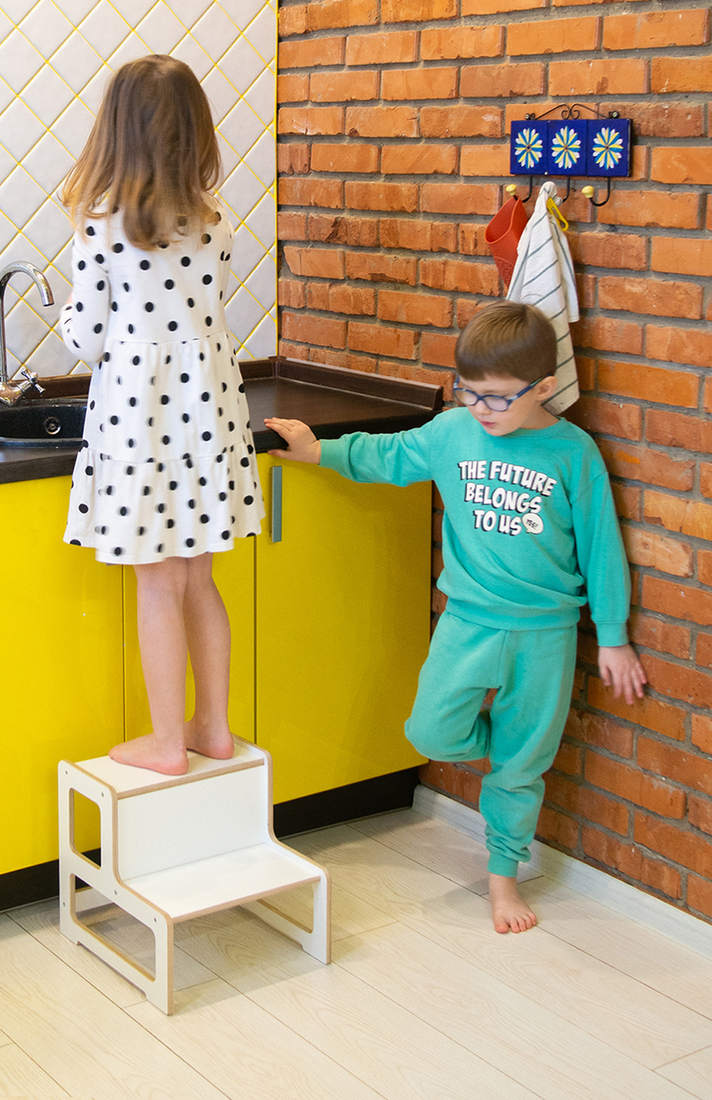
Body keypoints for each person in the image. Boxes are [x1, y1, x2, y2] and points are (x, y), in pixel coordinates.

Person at [265, 301, 645, 934]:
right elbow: (388, 455)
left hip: (545, 634)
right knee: (432, 732)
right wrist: (319, 451)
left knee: (522, 770)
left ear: (543, 388)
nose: (482, 409)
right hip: (467, 623)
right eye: (470, 393)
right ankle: (510, 753)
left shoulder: (573, 453)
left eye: (497, 398)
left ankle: (503, 878)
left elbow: (603, 547)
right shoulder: (452, 432)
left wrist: (613, 638)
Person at [59, 54, 263, 776]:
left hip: (139, 422)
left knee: (158, 584)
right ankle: (213, 727)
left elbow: (86, 338)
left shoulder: (101, 227)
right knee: (199, 580)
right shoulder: (214, 221)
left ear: (115, 134)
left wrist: (71, 317)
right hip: (209, 414)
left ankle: (166, 742)